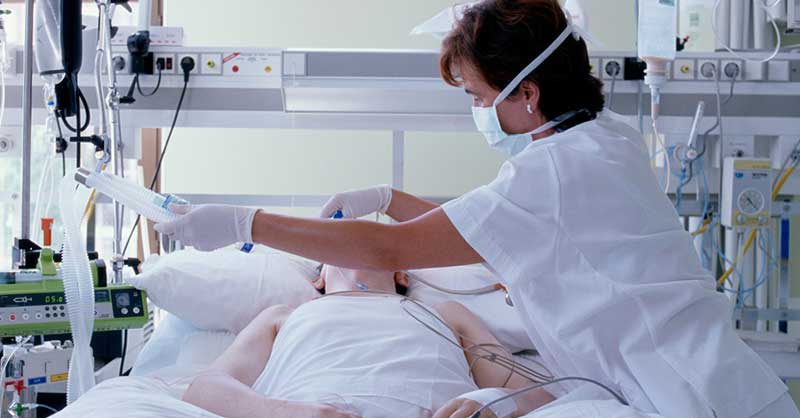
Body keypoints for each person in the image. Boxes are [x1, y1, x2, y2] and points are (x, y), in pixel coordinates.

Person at [155, 1, 800, 417]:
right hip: (684, 376)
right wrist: (382, 197)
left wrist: (245, 223)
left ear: (527, 94)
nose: (474, 110)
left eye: (476, 94)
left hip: (687, 393)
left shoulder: (544, 180)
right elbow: (468, 218)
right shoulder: (599, 139)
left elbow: (390, 248)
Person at [181, 266, 556, 418]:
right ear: (319, 280)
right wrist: (288, 413)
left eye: (367, 240)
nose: (351, 243)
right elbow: (206, 388)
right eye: (339, 239)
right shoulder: (285, 315)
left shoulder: (446, 312)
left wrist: (488, 403)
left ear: (400, 274)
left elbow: (536, 393)